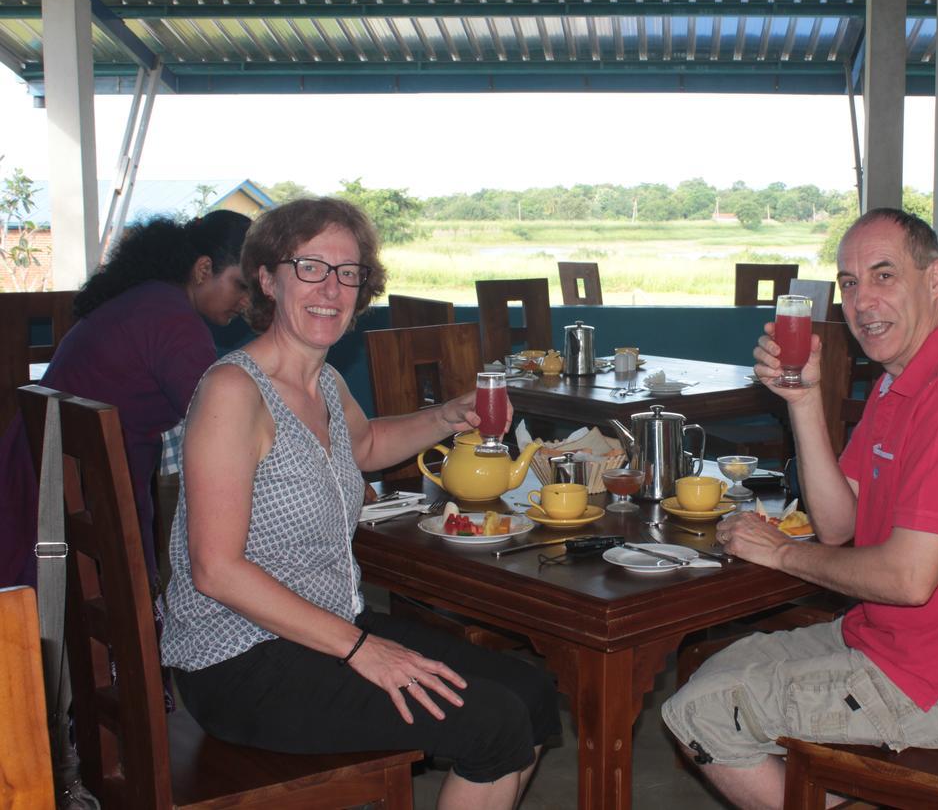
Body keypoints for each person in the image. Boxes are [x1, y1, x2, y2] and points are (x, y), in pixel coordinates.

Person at [161, 197, 559, 810]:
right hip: (239, 661)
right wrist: (360, 649)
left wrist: (448, 415)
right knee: (493, 723)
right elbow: (216, 570)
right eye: (311, 266)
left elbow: (367, 442)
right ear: (268, 278)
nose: (332, 287)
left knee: (528, 690)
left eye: (348, 272)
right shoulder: (232, 391)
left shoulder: (323, 380)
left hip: (324, 626)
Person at [661, 208, 938, 810]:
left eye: (884, 276)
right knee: (707, 675)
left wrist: (785, 553)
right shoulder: (900, 382)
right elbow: (839, 525)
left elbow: (906, 579)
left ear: (935, 278)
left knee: (702, 712)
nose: (863, 301)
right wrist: (804, 400)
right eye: (849, 283)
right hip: (885, 642)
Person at [0, 210, 251, 589]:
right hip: (79, 502)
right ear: (203, 269)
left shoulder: (149, 299)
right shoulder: (173, 322)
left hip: (48, 480)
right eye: (240, 286)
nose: (246, 303)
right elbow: (227, 425)